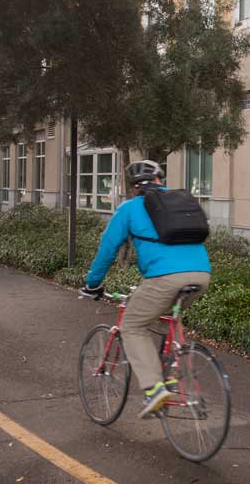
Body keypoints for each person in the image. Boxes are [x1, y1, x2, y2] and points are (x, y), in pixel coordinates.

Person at [80, 160, 211, 418]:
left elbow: (107, 249)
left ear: (133, 186)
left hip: (164, 278)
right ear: (160, 180)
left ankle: (153, 389)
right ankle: (172, 379)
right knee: (168, 319)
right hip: (201, 274)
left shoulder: (130, 208)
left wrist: (92, 283)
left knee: (132, 326)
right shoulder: (182, 203)